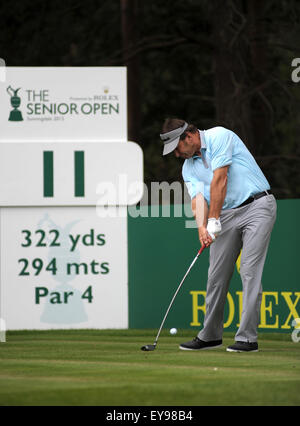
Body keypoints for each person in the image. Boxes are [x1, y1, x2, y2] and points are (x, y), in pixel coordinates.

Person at [160, 118, 277, 352]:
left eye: (177, 149)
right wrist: (202, 228)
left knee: (249, 270)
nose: (177, 155)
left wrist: (213, 220)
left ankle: (247, 338)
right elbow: (197, 200)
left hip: (257, 206)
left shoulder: (220, 136)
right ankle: (211, 335)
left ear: (189, 137)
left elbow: (219, 179)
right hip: (225, 215)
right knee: (216, 276)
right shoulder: (188, 167)